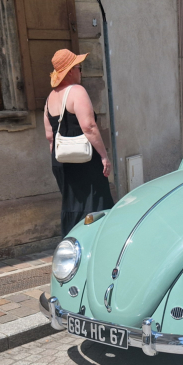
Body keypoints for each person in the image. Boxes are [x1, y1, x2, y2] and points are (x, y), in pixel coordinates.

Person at [43, 49, 114, 235]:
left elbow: (50, 136)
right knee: (95, 208)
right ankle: (98, 245)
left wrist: (58, 160)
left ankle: (74, 244)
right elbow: (89, 127)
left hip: (61, 162)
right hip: (84, 161)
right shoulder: (77, 91)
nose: (80, 71)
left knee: (73, 208)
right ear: (69, 72)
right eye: (78, 67)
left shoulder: (50, 98)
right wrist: (104, 156)